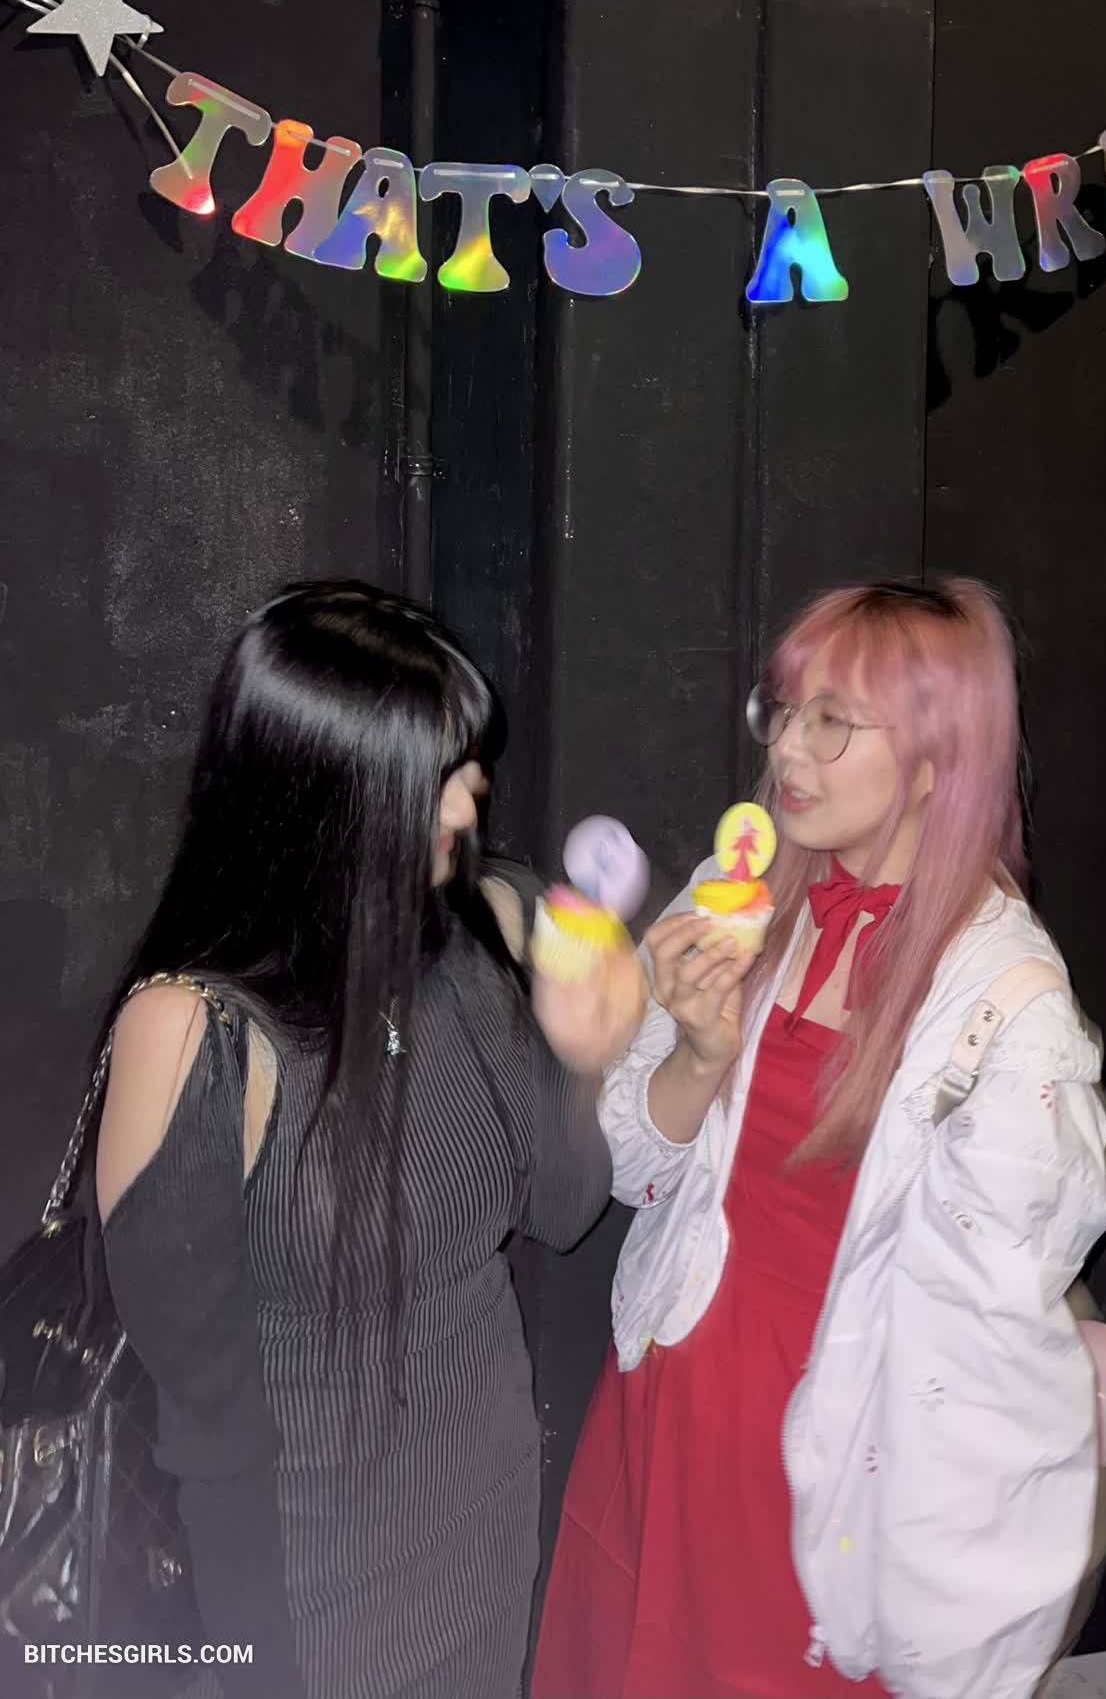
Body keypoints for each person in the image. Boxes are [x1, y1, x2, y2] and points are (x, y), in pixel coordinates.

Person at [532, 578, 1106, 1699]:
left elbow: (997, 1314)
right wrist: (698, 1052)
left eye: (832, 721)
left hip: (844, 1461)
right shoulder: (738, 894)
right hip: (668, 1389)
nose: (786, 749)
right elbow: (632, 1168)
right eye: (785, 711)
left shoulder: (1010, 1006)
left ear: (938, 758)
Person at [93, 581, 644, 1699]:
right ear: (326, 784)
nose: (474, 791)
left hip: (484, 1531)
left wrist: (584, 1061)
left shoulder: (485, 923)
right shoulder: (195, 1029)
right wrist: (256, 1665)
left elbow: (561, 1208)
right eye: (439, 768)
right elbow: (205, 1421)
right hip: (310, 1583)